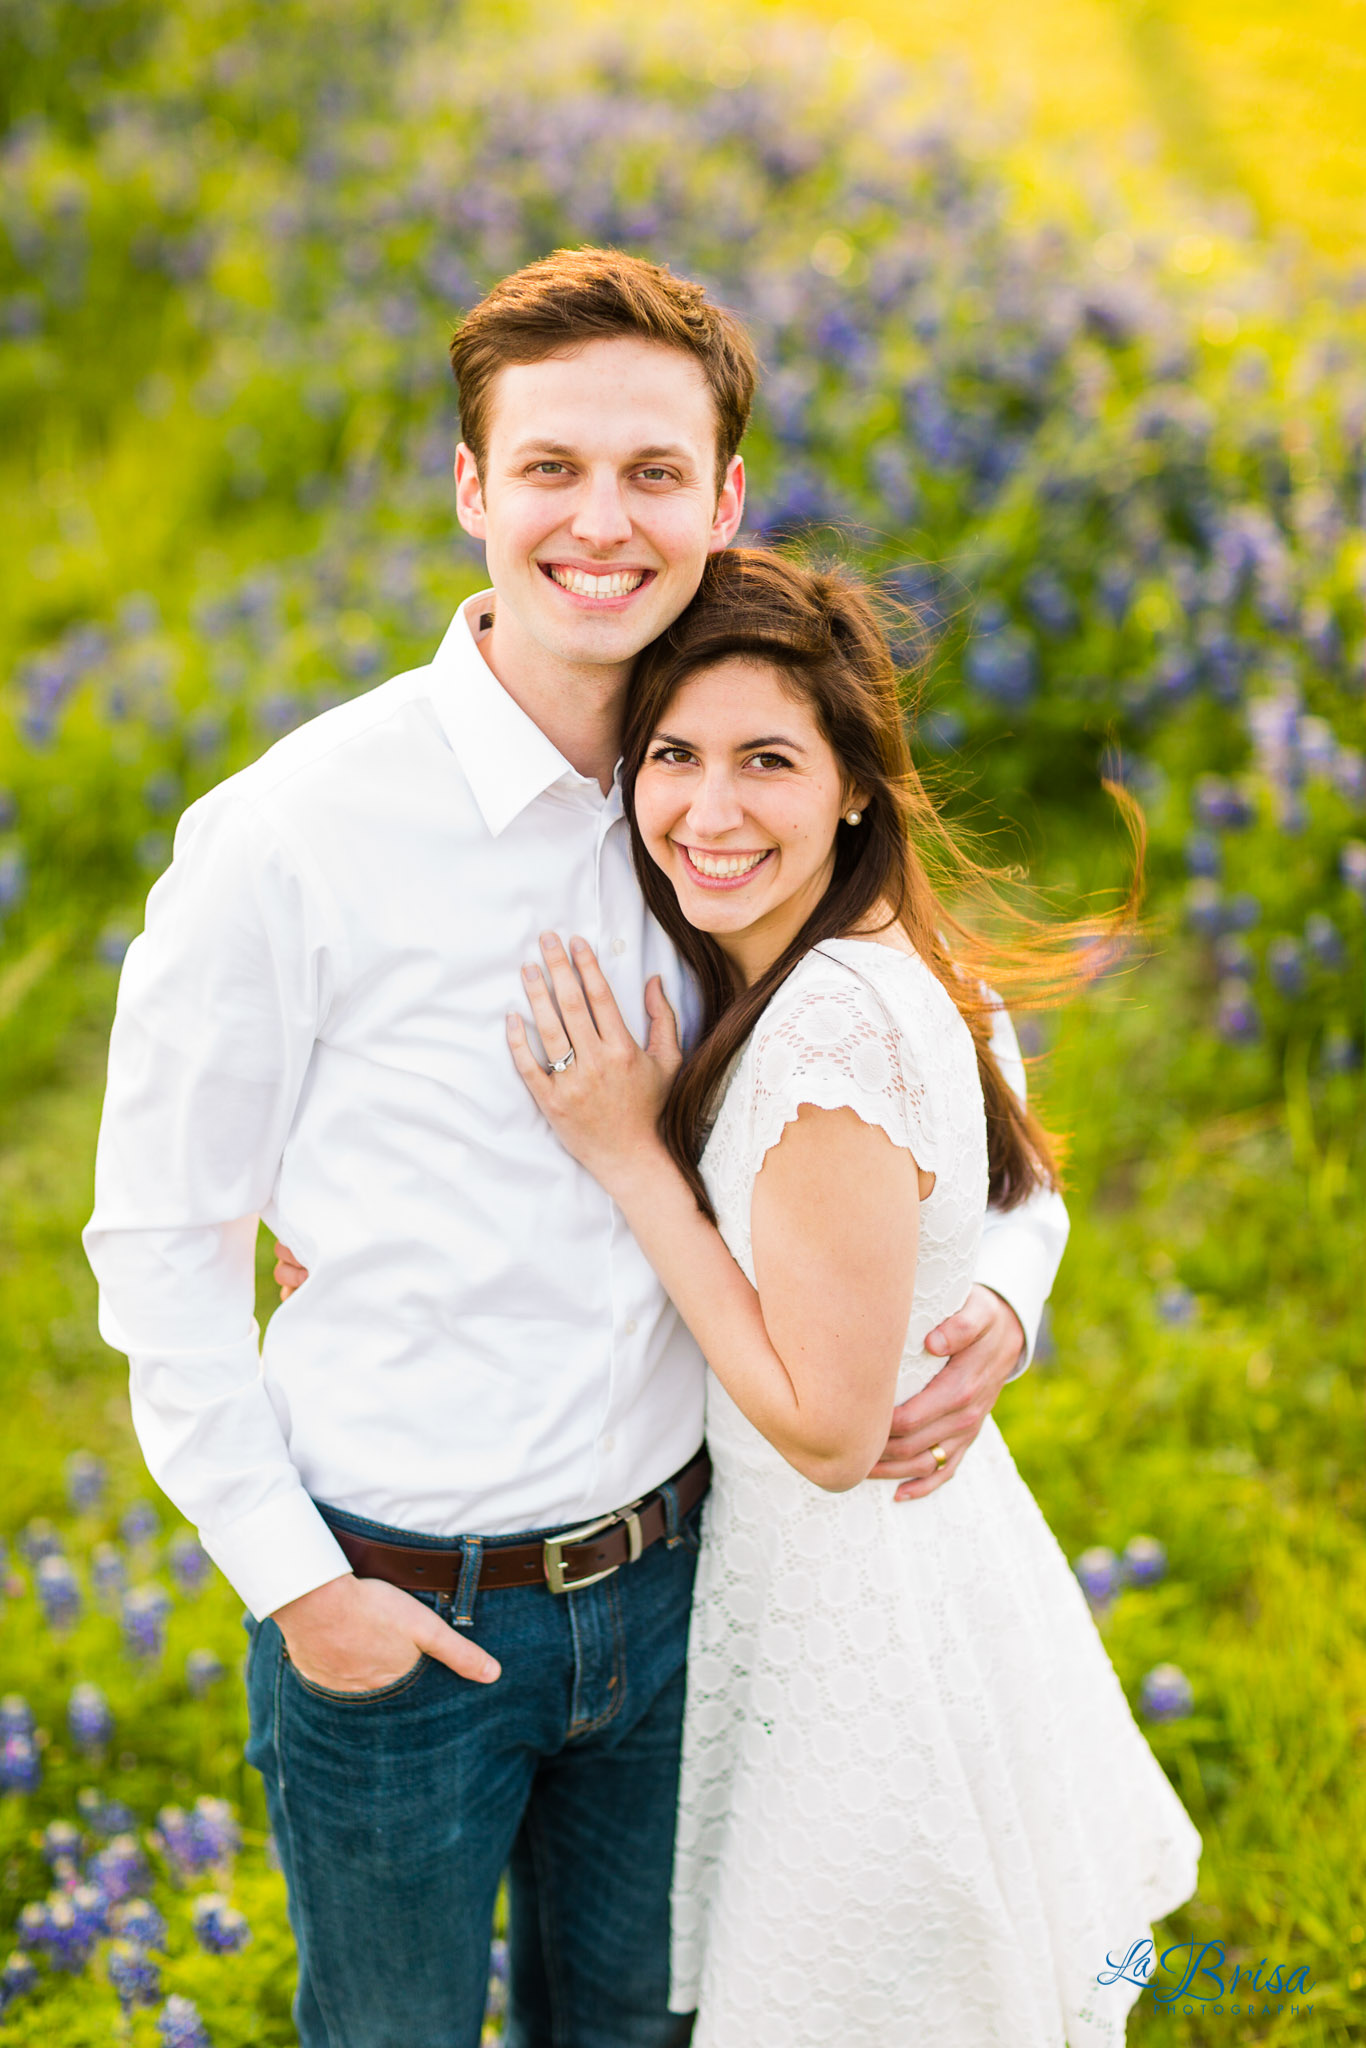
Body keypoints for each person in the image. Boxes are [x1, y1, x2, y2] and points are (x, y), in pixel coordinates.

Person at [83, 249, 1066, 2048]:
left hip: (687, 1584)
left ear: (723, 499)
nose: (598, 522)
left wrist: (1005, 1287)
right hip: (406, 1612)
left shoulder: (728, 784)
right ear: (470, 487)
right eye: (547, 468)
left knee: (630, 2030)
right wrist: (299, 1589)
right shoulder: (294, 835)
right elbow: (158, 1235)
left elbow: (949, 1037)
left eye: (650, 474)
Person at [506, 548, 1201, 2048]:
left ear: (854, 787)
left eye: (769, 759)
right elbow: (1006, 1158)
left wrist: (633, 1162)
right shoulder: (860, 953)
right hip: (911, 1569)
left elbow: (828, 1432)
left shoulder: (822, 1021)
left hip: (858, 1604)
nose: (708, 810)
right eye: (673, 758)